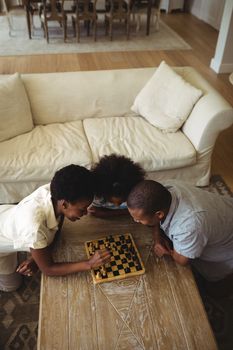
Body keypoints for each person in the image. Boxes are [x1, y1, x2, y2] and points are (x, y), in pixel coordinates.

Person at [0, 164, 110, 292]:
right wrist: (89, 263)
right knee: (11, 286)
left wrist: (36, 258)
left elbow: (57, 228)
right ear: (64, 204)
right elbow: (48, 269)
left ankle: (28, 249)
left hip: (8, 219)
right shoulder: (34, 228)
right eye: (82, 209)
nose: (86, 213)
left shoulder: (57, 192)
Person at [127, 179, 233, 296]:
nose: (135, 221)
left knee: (215, 290)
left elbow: (182, 260)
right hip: (224, 212)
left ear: (159, 214)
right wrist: (157, 238)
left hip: (227, 249)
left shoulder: (189, 226)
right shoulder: (167, 188)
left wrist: (167, 252)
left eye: (139, 219)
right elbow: (157, 219)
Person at [89, 154, 146, 218]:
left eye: (123, 201)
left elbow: (141, 210)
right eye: (110, 201)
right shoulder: (98, 197)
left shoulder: (137, 195)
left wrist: (107, 214)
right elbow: (94, 210)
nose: (117, 205)